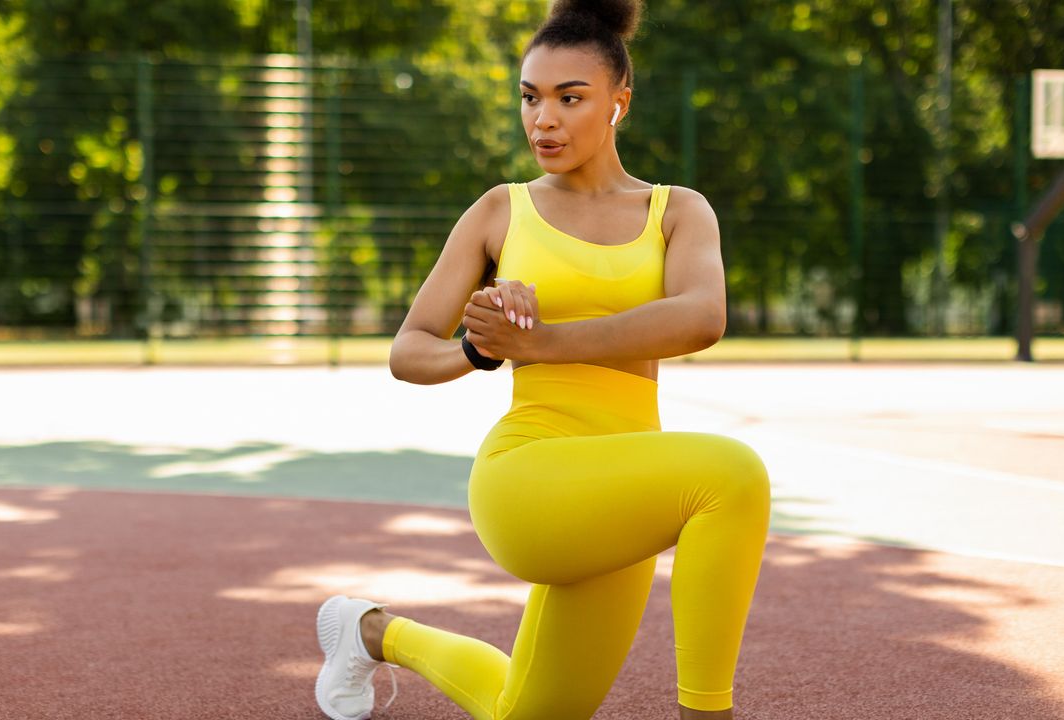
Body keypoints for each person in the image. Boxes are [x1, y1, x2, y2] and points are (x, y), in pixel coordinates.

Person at [313, 1, 770, 718]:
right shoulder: (502, 210)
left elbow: (701, 316)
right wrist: (481, 344)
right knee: (733, 478)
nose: (543, 120)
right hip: (529, 479)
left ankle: (370, 631)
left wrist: (544, 340)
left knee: (527, 713)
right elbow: (409, 351)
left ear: (620, 101)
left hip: (624, 489)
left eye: (569, 98)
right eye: (530, 98)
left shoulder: (678, 211)